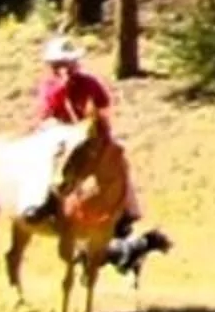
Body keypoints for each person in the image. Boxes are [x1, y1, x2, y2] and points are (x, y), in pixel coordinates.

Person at [27, 36, 141, 238]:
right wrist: (63, 88)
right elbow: (47, 112)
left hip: (87, 131)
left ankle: (127, 209)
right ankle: (44, 202)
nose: (65, 67)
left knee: (118, 156)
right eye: (60, 63)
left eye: (69, 62)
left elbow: (103, 105)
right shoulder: (50, 85)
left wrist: (96, 123)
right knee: (48, 158)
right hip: (58, 131)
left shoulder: (89, 83)